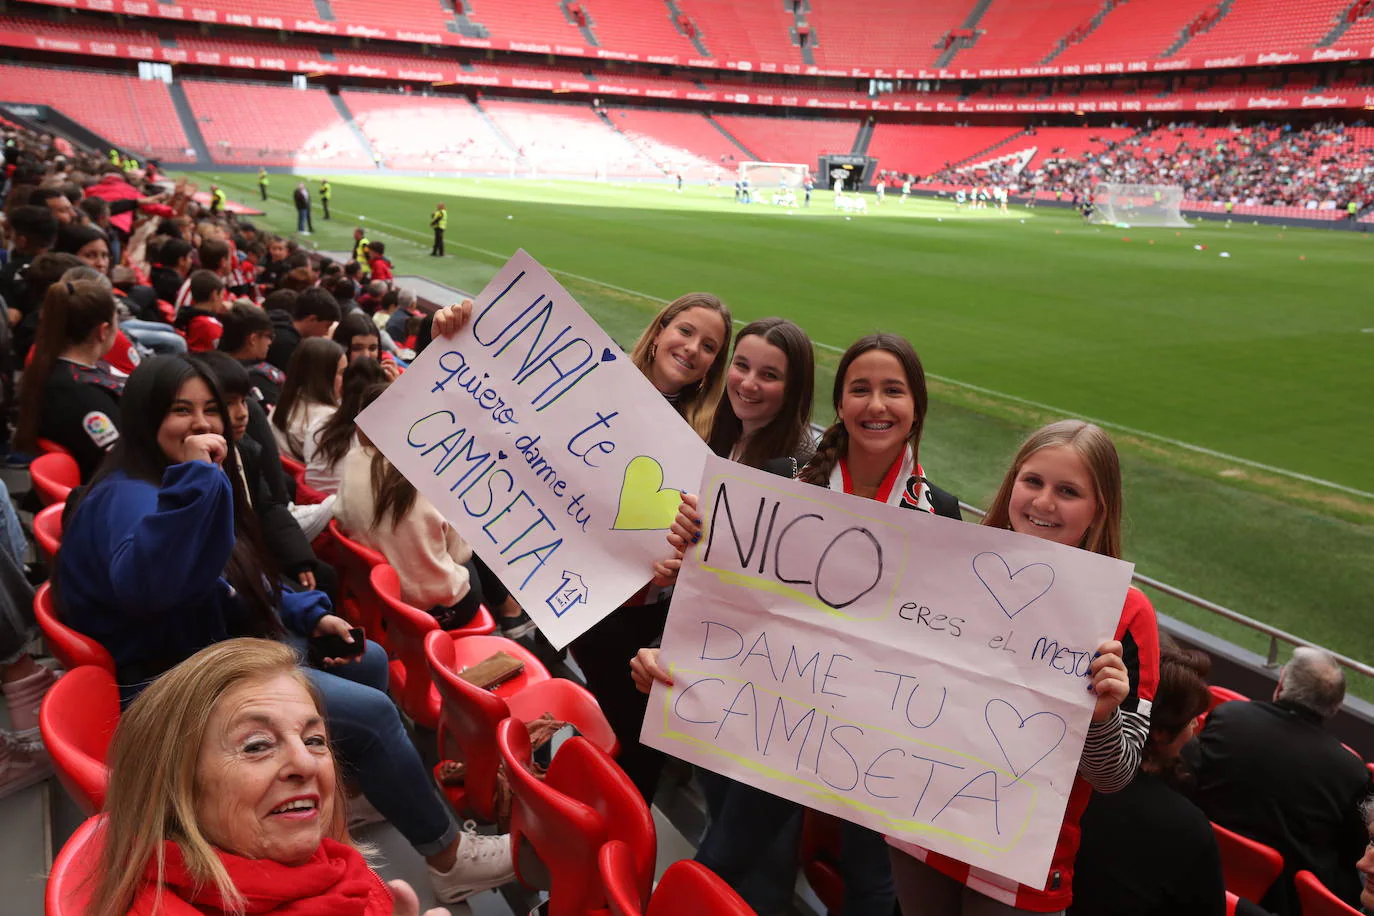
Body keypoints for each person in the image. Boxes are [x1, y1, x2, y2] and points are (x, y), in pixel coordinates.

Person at [57, 357, 515, 904]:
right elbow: (150, 586)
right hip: (174, 683)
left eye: (209, 410)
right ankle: (447, 858)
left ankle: (361, 788)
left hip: (207, 651)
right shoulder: (134, 495)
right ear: (145, 415)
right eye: (181, 410)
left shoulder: (167, 477)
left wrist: (308, 613)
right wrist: (199, 480)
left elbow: (233, 575)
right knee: (373, 715)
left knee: (365, 659)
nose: (202, 423)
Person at [888, 419, 1160, 915]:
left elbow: (1114, 777)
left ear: (1100, 508)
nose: (1043, 502)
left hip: (1020, 860)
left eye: (1068, 491)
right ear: (1011, 482)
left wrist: (1100, 715)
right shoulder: (957, 564)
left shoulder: (1127, 612)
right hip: (918, 824)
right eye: (1032, 481)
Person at [629, 318, 816, 915]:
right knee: (737, 829)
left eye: (770, 375)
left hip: (765, 692)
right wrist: (675, 565)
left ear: (795, 388)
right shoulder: (715, 441)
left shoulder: (804, 465)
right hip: (708, 672)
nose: (749, 383)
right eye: (742, 365)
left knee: (751, 847)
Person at [90, 639, 450, 916]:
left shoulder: (329, 873)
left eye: (314, 740)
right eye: (257, 746)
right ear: (174, 785)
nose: (306, 764)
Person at [1183, 647, 1372, 915]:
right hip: (1279, 903)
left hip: (1193, 867)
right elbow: (1355, 854)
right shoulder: (1350, 772)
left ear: (1281, 683)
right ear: (1335, 707)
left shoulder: (1229, 717)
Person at [1070, 645, 1224, 916]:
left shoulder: (1061, 769)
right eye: (1190, 720)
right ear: (1162, 733)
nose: (1195, 728)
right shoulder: (1188, 828)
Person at [335, 383, 491, 631]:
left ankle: (510, 612)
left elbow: (341, 519)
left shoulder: (352, 461)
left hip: (379, 598)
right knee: (474, 560)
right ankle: (511, 613)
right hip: (434, 610)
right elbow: (460, 555)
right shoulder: (430, 471)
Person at [14, 278, 124, 479]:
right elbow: (122, 464)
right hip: (108, 494)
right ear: (103, 331)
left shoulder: (54, 368)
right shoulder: (82, 396)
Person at [303, 357, 388, 496]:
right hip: (350, 510)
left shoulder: (317, 426)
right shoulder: (375, 443)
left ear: (341, 389)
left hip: (312, 503)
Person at [271, 337, 344, 461]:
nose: (346, 379)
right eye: (342, 373)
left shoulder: (278, 409)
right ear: (323, 377)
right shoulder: (329, 419)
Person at [219, 301, 284, 408]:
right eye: (268, 336)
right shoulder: (257, 378)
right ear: (253, 339)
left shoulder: (211, 367)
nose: (270, 342)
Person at [267, 287, 341, 372]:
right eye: (327, 326)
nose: (326, 332)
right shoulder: (288, 345)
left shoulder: (282, 329)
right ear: (312, 319)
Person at [173, 270, 228, 353]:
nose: (223, 301)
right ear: (214, 295)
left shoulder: (185, 317)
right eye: (221, 295)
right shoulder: (211, 326)